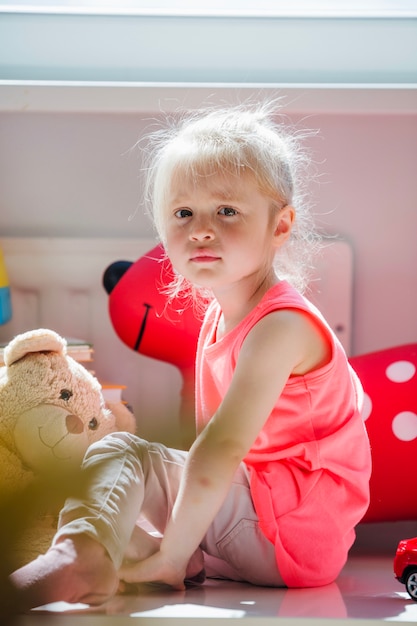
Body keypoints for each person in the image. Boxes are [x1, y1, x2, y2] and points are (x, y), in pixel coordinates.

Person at [9, 102, 371, 609]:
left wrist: (170, 558)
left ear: (280, 226)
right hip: (267, 523)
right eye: (183, 213)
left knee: (121, 453)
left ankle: (84, 559)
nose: (200, 229)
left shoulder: (281, 326)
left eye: (227, 211)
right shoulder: (220, 318)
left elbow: (218, 452)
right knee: (110, 491)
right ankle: (94, 558)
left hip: (289, 531)